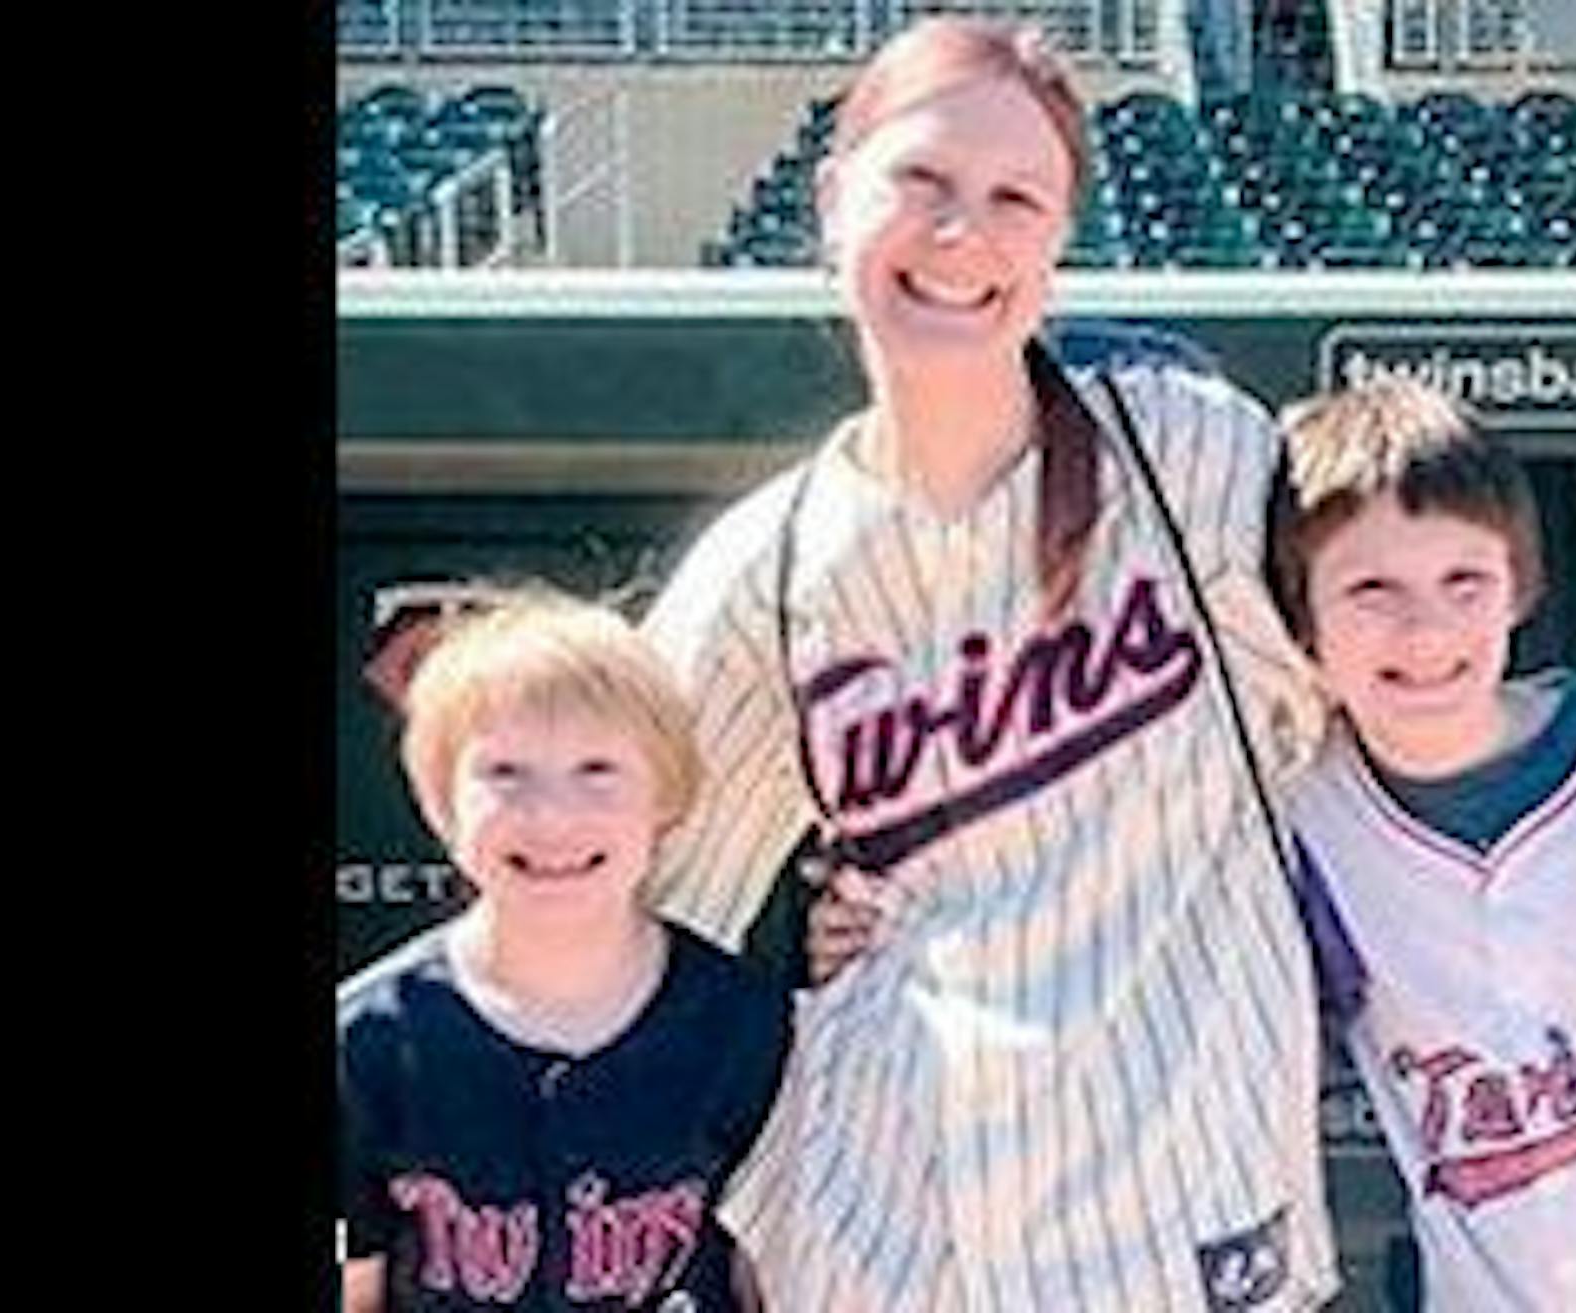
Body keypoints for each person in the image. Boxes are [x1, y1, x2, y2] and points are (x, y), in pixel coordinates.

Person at [638, 17, 1343, 1312]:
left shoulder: (1191, 457)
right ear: (834, 198)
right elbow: (640, 902)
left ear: (1061, 244)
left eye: (1017, 196)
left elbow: (1379, 703)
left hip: (1183, 1201)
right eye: (923, 181)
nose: (964, 231)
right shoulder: (767, 571)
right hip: (888, 1221)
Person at [1268, 377, 1576, 1311]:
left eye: (1462, 580)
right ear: (1301, 619)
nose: (1425, 626)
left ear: (1520, 585)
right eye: (1371, 589)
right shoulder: (1298, 805)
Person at [337, 586, 792, 1312]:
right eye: (505, 773)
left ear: (667, 800)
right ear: (441, 804)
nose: (553, 816)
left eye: (598, 770)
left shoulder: (748, 1026)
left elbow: (769, 1280)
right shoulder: (365, 1041)